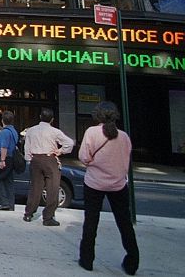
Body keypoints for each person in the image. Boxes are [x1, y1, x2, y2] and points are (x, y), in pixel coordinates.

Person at [78, 101, 139, 275]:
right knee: (124, 223)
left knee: (91, 222)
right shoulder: (124, 137)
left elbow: (83, 157)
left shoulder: (92, 132)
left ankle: (87, 259)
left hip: (94, 182)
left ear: (97, 115)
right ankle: (132, 261)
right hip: (118, 184)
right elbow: (126, 160)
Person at [22, 108, 74, 226]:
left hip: (35, 159)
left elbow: (27, 147)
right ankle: (48, 217)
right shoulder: (54, 131)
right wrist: (60, 151)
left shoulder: (31, 130)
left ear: (40, 116)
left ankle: (28, 214)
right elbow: (69, 143)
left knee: (35, 188)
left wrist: (29, 159)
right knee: (52, 188)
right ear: (52, 119)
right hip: (50, 158)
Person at [0, 110, 19, 210]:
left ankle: (4, 202)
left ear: (2, 120)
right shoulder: (14, 131)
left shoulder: (4, 132)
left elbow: (4, 147)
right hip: (11, 158)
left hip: (3, 158)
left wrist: (2, 160)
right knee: (8, 181)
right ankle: (10, 203)